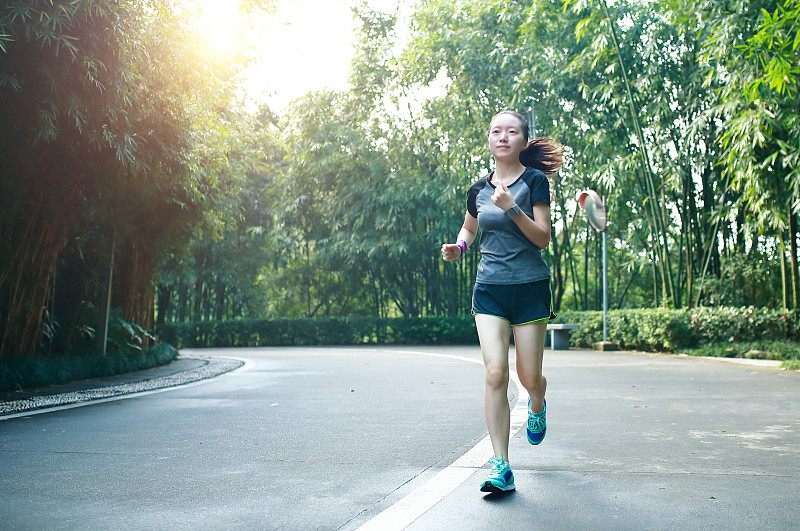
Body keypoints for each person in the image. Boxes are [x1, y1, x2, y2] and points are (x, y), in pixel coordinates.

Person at [441, 110, 563, 494]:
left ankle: (538, 402)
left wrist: (511, 206)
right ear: (489, 140)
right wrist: (459, 246)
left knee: (528, 377)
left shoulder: (534, 181)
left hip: (529, 288)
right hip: (490, 288)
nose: (503, 136)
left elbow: (542, 237)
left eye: (512, 131)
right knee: (495, 372)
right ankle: (501, 465)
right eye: (496, 131)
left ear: (524, 142)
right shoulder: (478, 189)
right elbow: (470, 225)